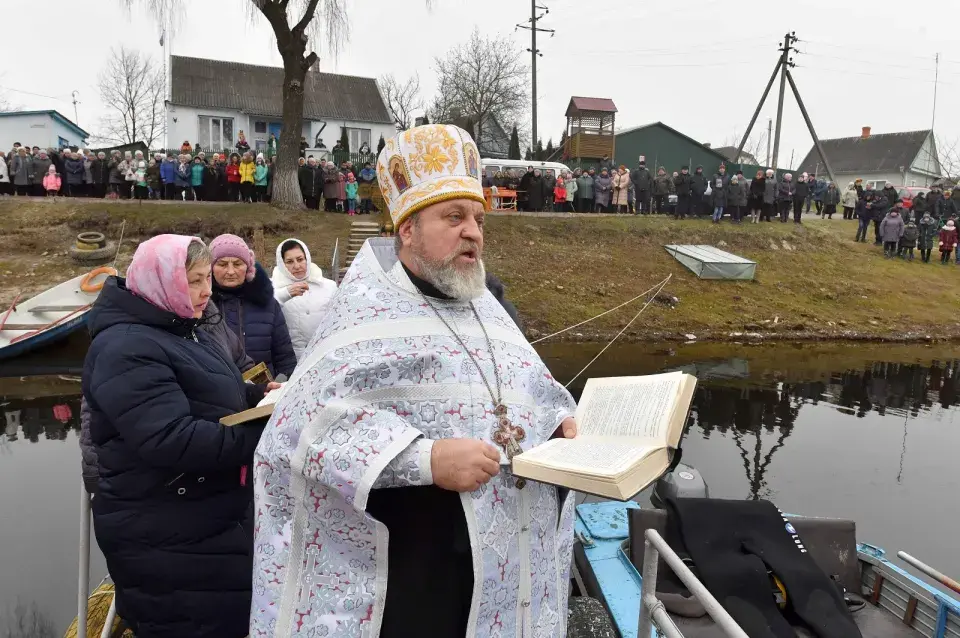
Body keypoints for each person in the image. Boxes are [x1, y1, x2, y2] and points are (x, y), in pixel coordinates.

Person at [249, 123, 578, 638]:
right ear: (407, 230)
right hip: (412, 572)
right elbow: (295, 432)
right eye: (454, 217)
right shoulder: (360, 312)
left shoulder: (488, 309)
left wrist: (561, 418)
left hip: (501, 562)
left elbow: (531, 387)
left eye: (477, 217)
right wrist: (424, 459)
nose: (473, 230)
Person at [82, 235, 270, 638]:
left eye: (207, 279)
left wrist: (258, 397)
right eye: (195, 280)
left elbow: (212, 391)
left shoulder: (182, 328)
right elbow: (171, 439)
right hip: (161, 529)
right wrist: (265, 434)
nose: (206, 291)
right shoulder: (125, 346)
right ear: (161, 281)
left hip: (199, 516)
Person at [209, 234, 297, 378]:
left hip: (264, 393)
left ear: (248, 267)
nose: (230, 271)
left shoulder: (267, 304)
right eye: (222, 264)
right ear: (211, 268)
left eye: (237, 264)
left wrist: (283, 385)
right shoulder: (199, 307)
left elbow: (285, 357)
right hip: (215, 395)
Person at [270, 238, 337, 359]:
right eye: (289, 261)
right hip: (289, 358)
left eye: (300, 259)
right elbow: (263, 312)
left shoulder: (329, 286)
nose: (296, 266)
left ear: (307, 258)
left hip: (324, 355)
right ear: (281, 263)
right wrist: (285, 293)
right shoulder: (272, 287)